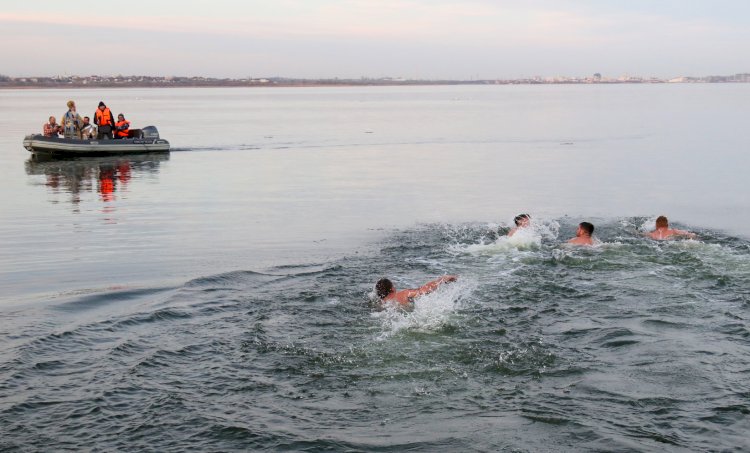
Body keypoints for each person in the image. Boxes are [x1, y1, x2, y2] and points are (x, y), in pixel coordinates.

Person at [375, 275, 457, 306]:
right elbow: (424, 290)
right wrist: (441, 280)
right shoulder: (404, 294)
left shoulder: (380, 302)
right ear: (391, 288)